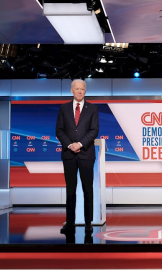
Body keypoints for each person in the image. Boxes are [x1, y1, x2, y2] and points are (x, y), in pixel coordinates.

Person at [56, 79, 99, 234]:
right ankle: (70, 223)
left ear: (85, 91)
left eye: (82, 89)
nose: (80, 91)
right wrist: (70, 145)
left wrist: (79, 144)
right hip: (69, 155)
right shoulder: (63, 108)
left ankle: (88, 223)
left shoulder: (92, 108)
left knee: (88, 189)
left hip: (86, 154)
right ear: (71, 91)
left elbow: (94, 130)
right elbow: (59, 130)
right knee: (70, 190)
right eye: (77, 89)